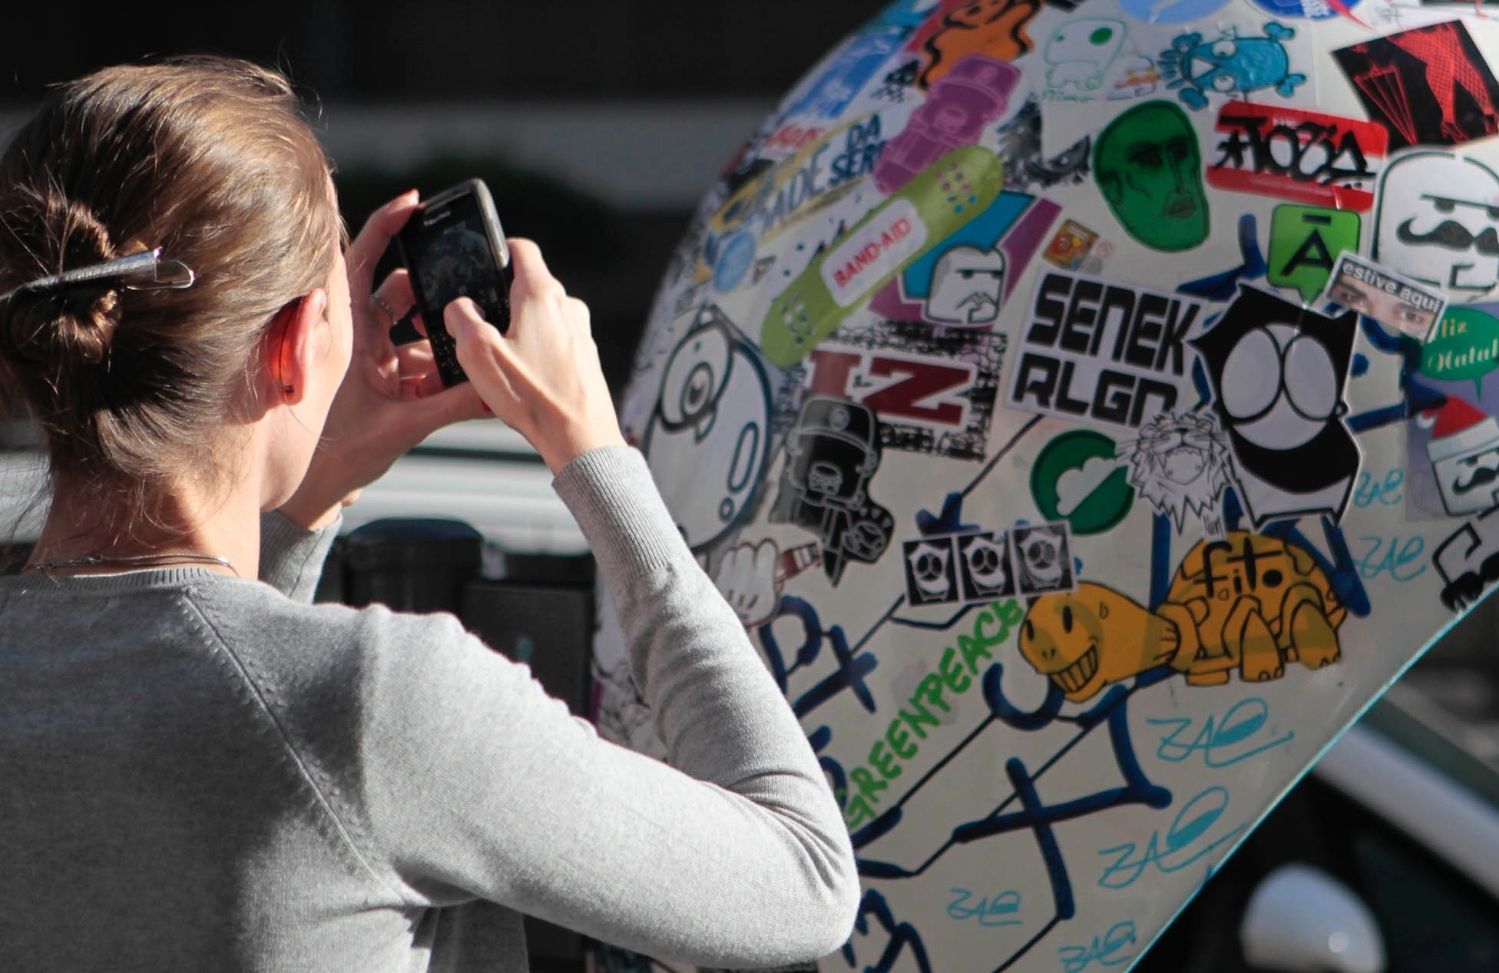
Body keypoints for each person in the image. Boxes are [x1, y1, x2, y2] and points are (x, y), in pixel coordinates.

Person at [0, 58, 859, 969]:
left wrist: (317, 472)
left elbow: (197, 694)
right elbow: (803, 882)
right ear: (292, 347)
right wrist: (594, 457)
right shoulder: (382, 703)